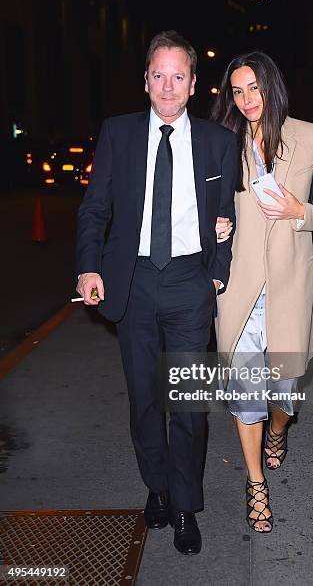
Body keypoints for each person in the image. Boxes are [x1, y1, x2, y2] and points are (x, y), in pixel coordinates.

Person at [76, 30, 237, 555]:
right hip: (135, 283)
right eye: (159, 75)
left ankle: (186, 505)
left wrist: (217, 273)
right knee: (145, 399)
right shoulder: (118, 134)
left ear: (193, 84)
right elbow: (95, 209)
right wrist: (88, 267)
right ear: (145, 80)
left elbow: (226, 217)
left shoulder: (217, 142)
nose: (168, 87)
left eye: (179, 76)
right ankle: (158, 489)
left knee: (188, 403)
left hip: (190, 283)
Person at [211, 51, 313, 533]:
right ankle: (255, 482)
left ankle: (277, 432)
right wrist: (216, 228)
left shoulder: (312, 136)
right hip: (240, 289)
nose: (246, 100)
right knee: (246, 391)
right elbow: (212, 205)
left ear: (272, 86)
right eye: (237, 90)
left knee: (283, 395)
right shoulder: (224, 142)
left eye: (254, 88)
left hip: (289, 285)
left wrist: (299, 213)